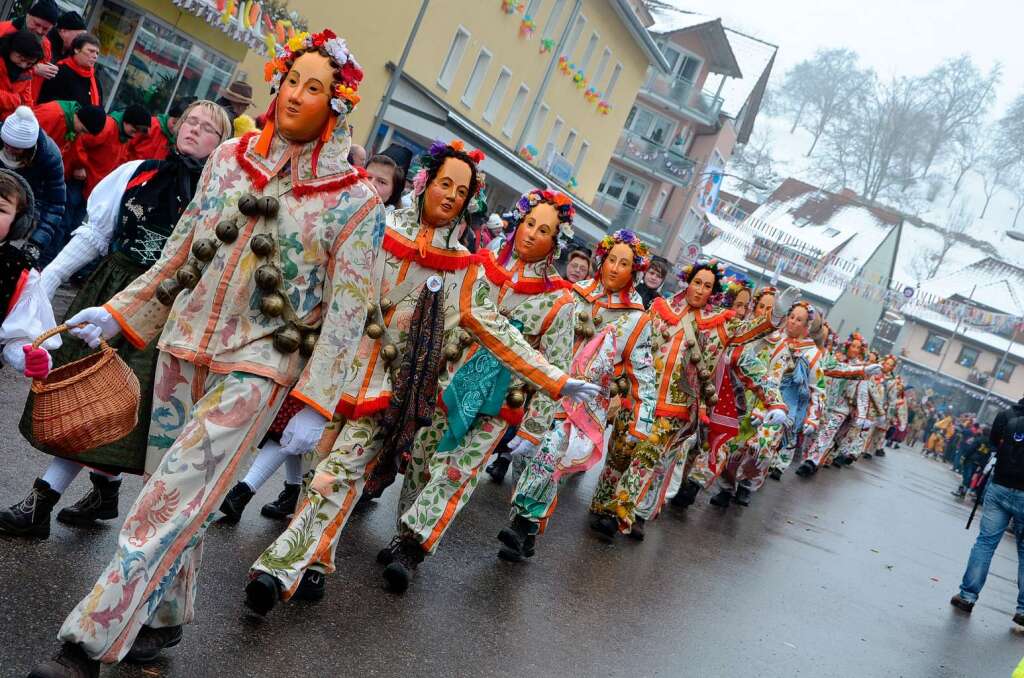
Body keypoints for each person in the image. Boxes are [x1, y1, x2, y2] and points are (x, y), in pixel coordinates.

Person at [26, 28, 384, 675]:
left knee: (171, 503)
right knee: (169, 499)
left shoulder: (355, 203)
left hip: (260, 364)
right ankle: (160, 623)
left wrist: (315, 402)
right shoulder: (228, 160)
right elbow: (180, 253)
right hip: (182, 347)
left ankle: (84, 643)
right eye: (291, 82)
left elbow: (350, 315)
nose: (296, 96)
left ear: (338, 105)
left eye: (315, 88)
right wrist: (117, 312)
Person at [247, 140, 598, 609]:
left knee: (339, 474)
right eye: (444, 183)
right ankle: (315, 563)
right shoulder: (378, 227)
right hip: (336, 382)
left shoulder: (464, 270)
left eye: (461, 190)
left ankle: (276, 569)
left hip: (393, 393)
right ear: (425, 183)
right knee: (318, 476)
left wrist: (554, 379)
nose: (450, 195)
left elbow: (495, 332)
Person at [0, 100, 232, 540]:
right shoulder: (137, 172)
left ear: (221, 146)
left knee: (108, 403)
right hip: (107, 291)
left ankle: (41, 501)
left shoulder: (220, 202)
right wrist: (49, 279)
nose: (195, 131)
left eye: (208, 129)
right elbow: (95, 234)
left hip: (162, 310)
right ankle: (104, 493)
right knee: (83, 395)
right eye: (191, 123)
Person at [500, 228, 656, 560]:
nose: (614, 268)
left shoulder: (636, 320)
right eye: (611, 260)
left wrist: (641, 424)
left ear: (634, 272)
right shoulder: (574, 293)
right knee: (525, 457)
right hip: (548, 391)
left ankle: (519, 526)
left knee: (548, 455)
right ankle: (528, 527)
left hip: (583, 407)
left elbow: (643, 376)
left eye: (624, 264)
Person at [950, 396, 1024, 627]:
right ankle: (1023, 609)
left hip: (1000, 484)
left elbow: (994, 443)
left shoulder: (1007, 415)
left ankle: (967, 596)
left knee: (985, 543)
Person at [0, 106, 64, 268]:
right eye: (6, 144)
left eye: (15, 147)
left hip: (25, 214)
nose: (8, 149)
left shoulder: (49, 156)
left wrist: (36, 244)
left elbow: (55, 205)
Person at [0, 0, 60, 100]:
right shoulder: (3, 30)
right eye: (36, 24)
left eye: (46, 29)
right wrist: (34, 69)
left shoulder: (46, 46)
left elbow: (34, 87)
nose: (39, 31)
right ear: (28, 15)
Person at [37, 33, 101, 108]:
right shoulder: (59, 71)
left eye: (97, 53)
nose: (95, 56)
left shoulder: (95, 81)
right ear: (77, 50)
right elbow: (47, 101)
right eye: (91, 51)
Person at [126, 96, 196, 162]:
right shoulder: (151, 125)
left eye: (180, 126)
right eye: (174, 122)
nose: (175, 127)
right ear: (169, 116)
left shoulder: (179, 144)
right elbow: (127, 145)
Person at [0, 29, 44, 116]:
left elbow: (27, 102)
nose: (23, 65)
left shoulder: (26, 73)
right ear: (10, 49)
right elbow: (21, 101)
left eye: (29, 63)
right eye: (21, 59)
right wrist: (16, 100)